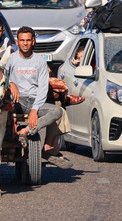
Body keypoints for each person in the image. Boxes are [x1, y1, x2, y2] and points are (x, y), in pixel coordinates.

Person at [6, 27, 72, 169]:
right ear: (17, 42)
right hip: (17, 101)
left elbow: (43, 87)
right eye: (22, 40)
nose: (25, 43)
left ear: (33, 41)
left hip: (36, 100)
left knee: (57, 111)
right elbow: (1, 79)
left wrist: (35, 110)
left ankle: (28, 132)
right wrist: (10, 83)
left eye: (28, 40)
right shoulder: (11, 59)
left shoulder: (39, 61)